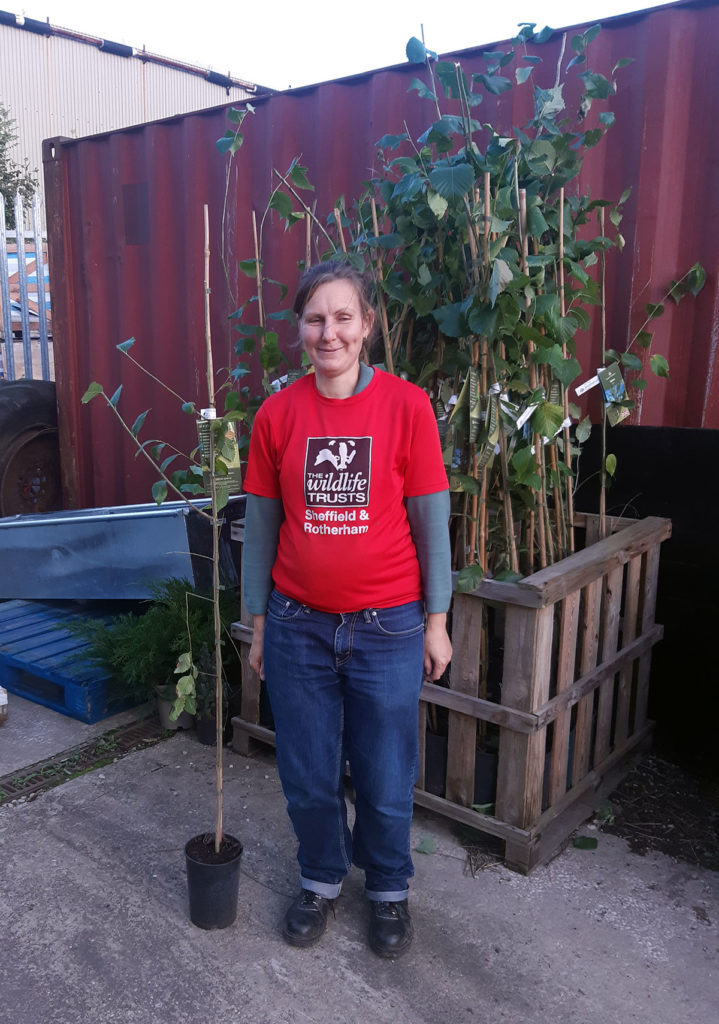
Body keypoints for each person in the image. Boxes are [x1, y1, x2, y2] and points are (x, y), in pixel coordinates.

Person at [242, 259, 452, 959]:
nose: (327, 332)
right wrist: (261, 623)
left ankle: (388, 889)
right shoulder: (276, 415)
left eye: (341, 318)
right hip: (298, 625)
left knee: (387, 775)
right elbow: (263, 527)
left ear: (367, 326)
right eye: (313, 318)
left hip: (387, 627)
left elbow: (429, 519)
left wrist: (436, 621)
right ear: (299, 328)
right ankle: (321, 879)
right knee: (306, 772)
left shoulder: (406, 406)